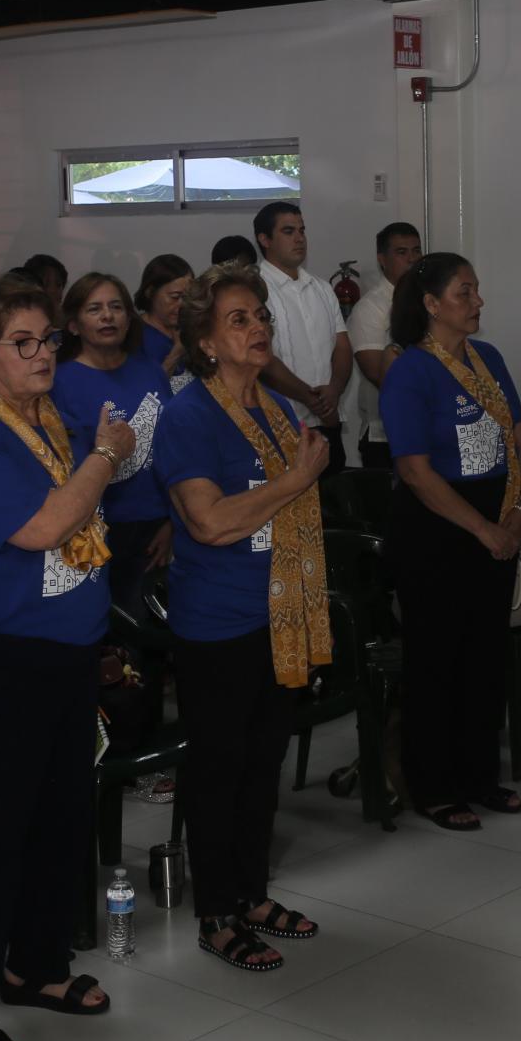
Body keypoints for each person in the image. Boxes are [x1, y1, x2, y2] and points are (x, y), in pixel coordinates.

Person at [0, 277, 129, 1041]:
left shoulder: (54, 416)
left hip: (68, 650)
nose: (43, 354)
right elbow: (46, 525)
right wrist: (109, 454)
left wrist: (99, 452)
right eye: (23, 342)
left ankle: (35, 965)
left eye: (48, 338)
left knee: (61, 818)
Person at [154, 263, 328, 972]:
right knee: (220, 769)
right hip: (218, 623)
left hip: (280, 615)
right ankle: (216, 911)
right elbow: (211, 522)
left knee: (264, 764)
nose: (258, 328)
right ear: (204, 340)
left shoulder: (279, 410)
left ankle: (253, 894)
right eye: (238, 319)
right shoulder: (187, 416)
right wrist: (294, 481)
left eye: (260, 316)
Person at [379, 254, 521, 829]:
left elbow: (518, 436)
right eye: (465, 292)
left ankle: (479, 776)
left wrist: (519, 511)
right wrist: (483, 528)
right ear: (430, 304)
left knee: (484, 658)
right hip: (436, 533)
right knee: (437, 662)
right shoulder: (409, 371)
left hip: (496, 524)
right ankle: (433, 785)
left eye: (476, 290)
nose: (477, 302)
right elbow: (416, 472)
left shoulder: (487, 358)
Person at [51, 273, 173, 619]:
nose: (108, 316)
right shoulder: (58, 381)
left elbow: (172, 451)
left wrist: (173, 522)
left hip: (155, 526)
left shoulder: (150, 371)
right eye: (95, 309)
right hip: (92, 527)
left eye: (116, 307)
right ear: (73, 325)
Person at [253, 201, 352, 471]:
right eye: (288, 231)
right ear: (265, 239)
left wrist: (333, 392)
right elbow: (262, 358)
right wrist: (309, 397)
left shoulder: (321, 288)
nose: (299, 238)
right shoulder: (254, 290)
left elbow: (342, 348)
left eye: (302, 230)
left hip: (328, 421)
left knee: (334, 506)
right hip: (281, 423)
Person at [350, 223, 422, 470]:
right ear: (382, 259)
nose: (412, 259)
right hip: (385, 435)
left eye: (416, 251)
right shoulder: (371, 308)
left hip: (429, 427)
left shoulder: (429, 300)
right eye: (402, 253)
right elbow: (379, 374)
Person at [134, 254, 195, 394]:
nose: (182, 304)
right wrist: (177, 352)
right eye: (175, 297)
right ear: (150, 292)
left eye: (187, 297)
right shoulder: (133, 333)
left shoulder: (189, 325)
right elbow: (144, 392)